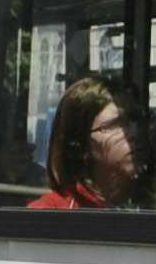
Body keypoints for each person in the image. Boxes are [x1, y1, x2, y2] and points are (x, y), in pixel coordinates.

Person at [31, 73, 142, 210]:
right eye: (114, 125)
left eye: (134, 119)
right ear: (80, 146)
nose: (135, 132)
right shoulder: (50, 213)